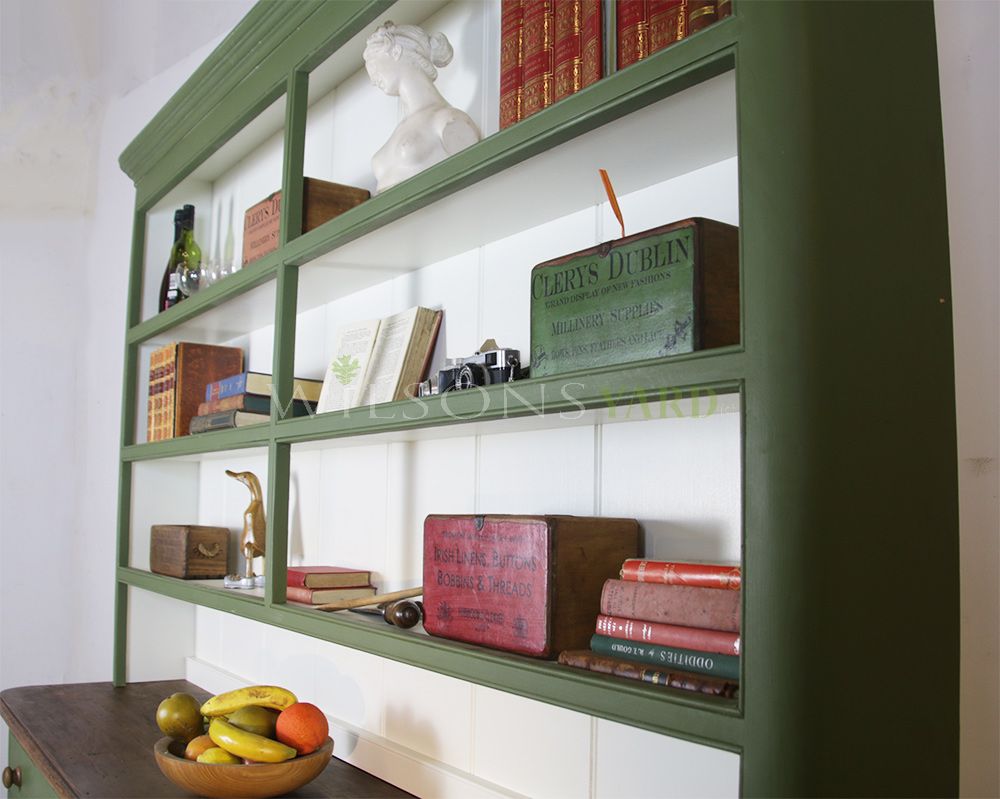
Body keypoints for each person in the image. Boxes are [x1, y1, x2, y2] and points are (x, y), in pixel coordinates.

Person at [363, 21, 481, 193]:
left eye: (374, 67)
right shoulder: (401, 128)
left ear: (395, 52)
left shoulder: (449, 121)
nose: (374, 80)